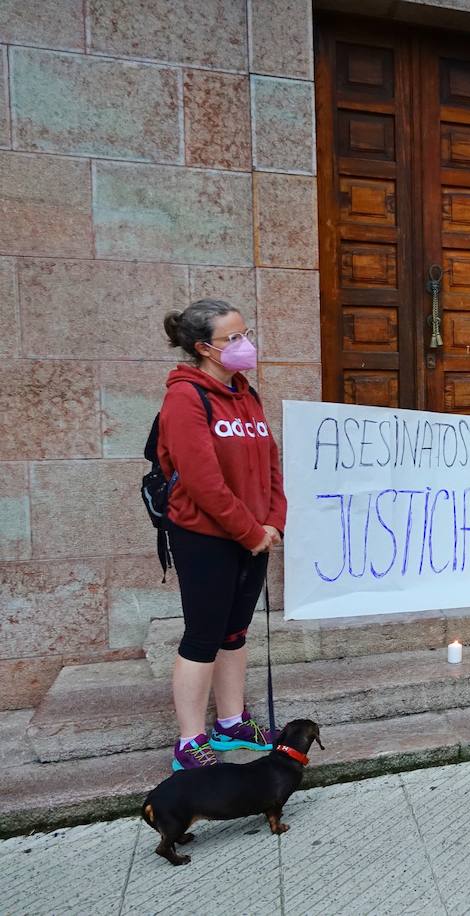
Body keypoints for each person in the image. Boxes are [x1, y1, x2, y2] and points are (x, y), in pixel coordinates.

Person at [159, 299, 287, 771]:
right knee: (204, 635)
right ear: (204, 348)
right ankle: (190, 740)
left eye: (245, 333)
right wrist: (249, 530)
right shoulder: (185, 397)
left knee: (235, 631)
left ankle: (231, 723)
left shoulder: (246, 394)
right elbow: (201, 480)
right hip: (205, 536)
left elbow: (270, 461)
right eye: (233, 338)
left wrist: (273, 521)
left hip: (254, 534)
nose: (245, 344)